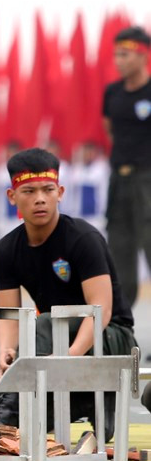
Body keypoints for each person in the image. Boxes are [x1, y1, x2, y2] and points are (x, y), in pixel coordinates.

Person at [0, 148, 137, 442]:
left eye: (47, 190)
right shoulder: (6, 251)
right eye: (29, 191)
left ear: (60, 192)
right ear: (11, 196)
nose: (40, 199)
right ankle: (82, 403)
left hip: (110, 337)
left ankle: (9, 419)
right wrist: (7, 349)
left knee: (44, 323)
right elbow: (9, 316)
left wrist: (67, 359)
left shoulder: (83, 238)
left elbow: (102, 311)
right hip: (55, 341)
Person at [103, 26, 151, 307]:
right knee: (119, 255)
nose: (118, 61)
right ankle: (122, 329)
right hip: (119, 181)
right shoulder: (112, 93)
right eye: (116, 55)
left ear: (143, 55)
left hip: (147, 181)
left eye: (125, 55)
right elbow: (110, 129)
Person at [70, 141, 109, 235]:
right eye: (85, 152)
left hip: (97, 217)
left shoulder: (101, 169)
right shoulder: (77, 170)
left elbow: (104, 193)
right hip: (79, 215)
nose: (87, 155)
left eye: (90, 152)